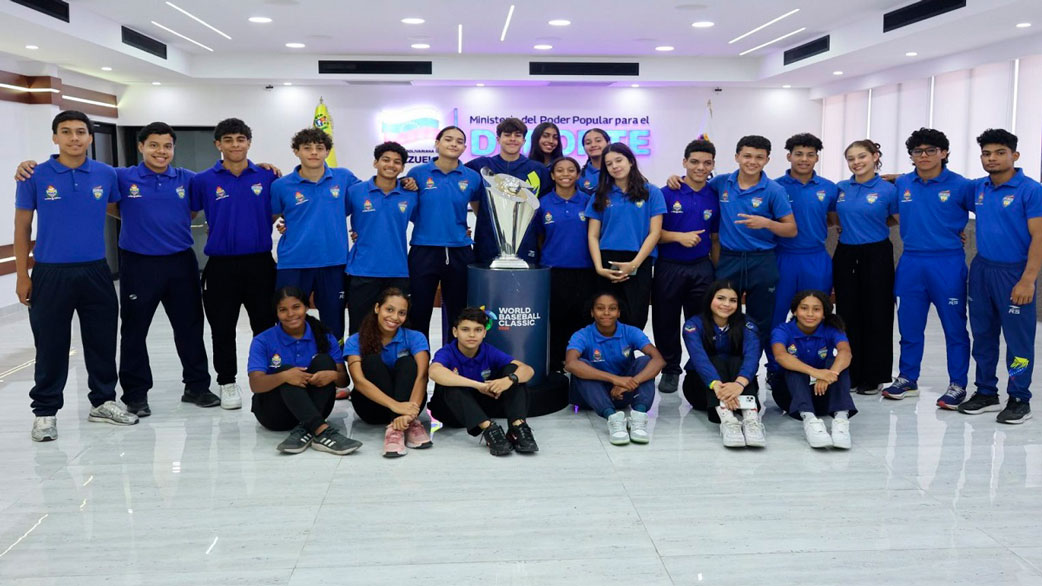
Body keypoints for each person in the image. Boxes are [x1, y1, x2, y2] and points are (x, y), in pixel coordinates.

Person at [15, 121, 216, 418]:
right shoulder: (120, 176)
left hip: (180, 262)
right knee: (134, 332)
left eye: (167, 146)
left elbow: (196, 208)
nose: (161, 151)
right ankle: (135, 395)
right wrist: (25, 165)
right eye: (154, 145)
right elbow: (106, 204)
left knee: (190, 327)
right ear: (140, 147)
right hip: (137, 262)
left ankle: (197, 386)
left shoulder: (188, 179)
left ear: (174, 149)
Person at [16, 110, 139, 441]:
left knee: (101, 341)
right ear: (55, 137)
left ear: (90, 137)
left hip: (96, 270)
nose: (74, 138)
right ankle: (45, 412)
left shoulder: (105, 174)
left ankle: (103, 401)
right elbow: (23, 226)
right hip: (49, 272)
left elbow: (120, 208)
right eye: (66, 132)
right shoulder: (34, 175)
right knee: (51, 344)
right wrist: (22, 275)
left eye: (81, 132)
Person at [190, 118, 278, 410]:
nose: (235, 145)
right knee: (222, 327)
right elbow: (187, 214)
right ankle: (227, 382)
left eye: (241, 139)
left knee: (265, 325)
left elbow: (280, 210)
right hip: (221, 266)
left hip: (260, 264)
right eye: (228, 140)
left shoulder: (267, 177)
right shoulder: (203, 180)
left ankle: (266, 378)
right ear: (218, 144)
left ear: (249, 143)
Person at [885, 128, 974, 406]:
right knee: (909, 327)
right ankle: (907, 378)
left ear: (944, 153)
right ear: (911, 156)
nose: (924, 156)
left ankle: (958, 384)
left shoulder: (962, 185)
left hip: (947, 263)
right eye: (917, 151)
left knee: (954, 328)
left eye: (931, 150)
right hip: (911, 262)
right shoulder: (902, 184)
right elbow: (885, 186)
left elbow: (991, 209)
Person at [958, 129, 1042, 423]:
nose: (991, 158)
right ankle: (986, 392)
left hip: (1015, 273)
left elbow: (1039, 236)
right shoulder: (978, 187)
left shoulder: (1031, 190)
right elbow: (939, 188)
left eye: (999, 153)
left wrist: (1028, 279)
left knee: (1018, 343)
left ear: (1014, 156)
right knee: (982, 336)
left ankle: (1020, 398)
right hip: (982, 270)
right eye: (986, 153)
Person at [247, 287, 361, 455]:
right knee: (286, 370)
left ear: (307, 307)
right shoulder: (263, 340)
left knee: (324, 360)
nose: (291, 314)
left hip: (317, 406)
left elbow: (344, 381)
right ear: (276, 313)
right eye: (283, 310)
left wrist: (333, 375)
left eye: (296, 307)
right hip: (275, 415)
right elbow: (255, 384)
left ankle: (305, 429)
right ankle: (322, 431)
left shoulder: (324, 336)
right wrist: (284, 376)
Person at [708, 136, 797, 351]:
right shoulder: (721, 182)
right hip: (729, 259)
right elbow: (696, 186)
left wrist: (767, 223)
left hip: (762, 261)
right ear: (737, 157)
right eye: (747, 156)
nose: (752, 161)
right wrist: (676, 178)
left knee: (759, 321)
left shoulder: (774, 190)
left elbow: (791, 229)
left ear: (767, 160)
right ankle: (726, 368)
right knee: (722, 317)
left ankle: (750, 373)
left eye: (759, 157)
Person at [271, 127, 359, 343]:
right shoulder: (281, 185)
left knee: (333, 320)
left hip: (333, 261)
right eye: (307, 148)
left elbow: (369, 197)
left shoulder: (344, 177)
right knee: (290, 317)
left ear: (327, 151)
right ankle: (290, 364)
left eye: (319, 148)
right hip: (294, 262)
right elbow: (271, 217)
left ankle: (334, 367)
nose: (313, 152)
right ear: (296, 151)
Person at [406, 126, 485, 345]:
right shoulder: (417, 174)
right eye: (448, 139)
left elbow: (479, 212)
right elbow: (408, 210)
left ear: (465, 148)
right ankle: (418, 367)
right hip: (424, 249)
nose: (453, 144)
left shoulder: (472, 178)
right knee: (419, 311)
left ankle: (451, 369)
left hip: (460, 250)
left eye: (459, 141)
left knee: (458, 313)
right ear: (437, 143)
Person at [652, 139, 719, 394]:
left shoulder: (714, 195)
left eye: (706, 163)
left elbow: (715, 238)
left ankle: (697, 367)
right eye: (694, 162)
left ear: (713, 165)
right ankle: (670, 368)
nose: (700, 167)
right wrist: (678, 237)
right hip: (669, 265)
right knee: (665, 319)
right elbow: (653, 233)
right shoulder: (666, 192)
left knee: (700, 321)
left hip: (702, 267)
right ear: (684, 163)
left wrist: (716, 268)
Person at [833, 140, 899, 395]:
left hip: (877, 252)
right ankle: (850, 372)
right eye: (851, 158)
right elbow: (834, 217)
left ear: (875, 157)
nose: (856, 162)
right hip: (846, 252)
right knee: (847, 314)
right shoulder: (841, 188)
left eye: (862, 156)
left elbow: (895, 218)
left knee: (878, 313)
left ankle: (874, 375)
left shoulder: (888, 189)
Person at [428, 307, 539, 456]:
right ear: (455, 332)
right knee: (450, 385)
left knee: (513, 371)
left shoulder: (488, 350)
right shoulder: (447, 352)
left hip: (480, 408)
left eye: (478, 330)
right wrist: (478, 385)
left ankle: (517, 427)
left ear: (484, 333)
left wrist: (509, 380)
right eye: (465, 329)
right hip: (451, 412)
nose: (472, 335)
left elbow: (527, 369)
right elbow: (434, 371)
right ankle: (489, 429)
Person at [565, 291, 665, 445]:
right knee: (581, 366)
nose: (606, 313)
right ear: (592, 312)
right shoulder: (582, 334)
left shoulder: (630, 331)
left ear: (618, 312)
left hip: (624, 393)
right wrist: (615, 379)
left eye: (612, 308)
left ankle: (638, 416)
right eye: (600, 308)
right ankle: (613, 419)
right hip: (592, 397)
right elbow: (570, 363)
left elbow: (658, 360)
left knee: (646, 361)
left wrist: (631, 382)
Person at [585, 142, 666, 329]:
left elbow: (655, 233)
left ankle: (629, 358)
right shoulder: (600, 194)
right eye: (609, 164)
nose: (615, 166)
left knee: (636, 318)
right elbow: (593, 236)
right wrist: (599, 267)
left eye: (618, 160)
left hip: (638, 261)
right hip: (607, 263)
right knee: (606, 319)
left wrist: (634, 264)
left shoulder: (651, 192)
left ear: (630, 161)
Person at [344, 288, 433, 457]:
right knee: (371, 362)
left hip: (409, 403)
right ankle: (398, 424)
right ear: (377, 308)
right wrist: (396, 406)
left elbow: (422, 375)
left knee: (407, 363)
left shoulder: (415, 337)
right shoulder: (356, 340)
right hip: (371, 408)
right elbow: (359, 381)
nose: (394, 317)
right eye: (389, 310)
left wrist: (411, 412)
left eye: (401, 313)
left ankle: (400, 426)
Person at [530, 156, 596, 371]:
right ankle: (557, 363)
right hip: (554, 270)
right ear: (552, 175)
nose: (565, 174)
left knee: (582, 319)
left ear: (578, 175)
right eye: (560, 170)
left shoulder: (588, 201)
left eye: (571, 170)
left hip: (585, 271)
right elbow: (540, 237)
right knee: (556, 319)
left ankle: (580, 364)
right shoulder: (543, 203)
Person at [682, 281, 765, 447]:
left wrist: (739, 385)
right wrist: (716, 385)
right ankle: (728, 421)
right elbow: (699, 359)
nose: (726, 304)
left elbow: (752, 357)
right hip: (702, 389)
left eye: (733, 300)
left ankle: (750, 419)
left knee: (737, 360)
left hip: (739, 389)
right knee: (714, 359)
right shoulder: (693, 325)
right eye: (720, 298)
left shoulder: (748, 324)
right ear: (709, 299)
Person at [770, 290, 856, 449]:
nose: (810, 314)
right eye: (804, 308)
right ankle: (809, 421)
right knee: (793, 364)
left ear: (824, 314)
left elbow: (846, 352)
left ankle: (841, 421)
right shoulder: (782, 330)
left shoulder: (832, 329)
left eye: (816, 309)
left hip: (823, 395)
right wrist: (816, 373)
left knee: (837, 362)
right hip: (791, 398)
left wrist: (831, 374)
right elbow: (780, 356)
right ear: (795, 311)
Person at [345, 142, 415, 335]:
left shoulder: (410, 195)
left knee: (398, 329)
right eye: (385, 160)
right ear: (375, 162)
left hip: (398, 272)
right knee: (360, 327)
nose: (391, 165)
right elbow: (331, 217)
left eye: (397, 162)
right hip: (363, 270)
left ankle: (394, 364)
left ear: (402, 168)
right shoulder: (355, 191)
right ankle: (358, 364)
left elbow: (429, 222)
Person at [772, 134, 838, 329]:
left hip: (815, 258)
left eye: (810, 154)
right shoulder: (774, 187)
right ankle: (775, 360)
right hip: (781, 257)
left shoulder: (829, 188)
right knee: (776, 313)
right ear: (789, 156)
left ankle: (813, 359)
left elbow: (833, 220)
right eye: (798, 154)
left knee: (815, 315)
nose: (804, 159)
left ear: (817, 158)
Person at [466, 117, 551, 265]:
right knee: (487, 287)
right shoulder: (480, 165)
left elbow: (545, 207)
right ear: (498, 139)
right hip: (488, 242)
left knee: (525, 287)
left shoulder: (538, 170)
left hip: (526, 243)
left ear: (524, 141)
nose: (512, 139)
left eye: (517, 135)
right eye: (507, 135)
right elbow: (456, 179)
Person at [578, 128, 610, 194]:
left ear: (608, 143)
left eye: (598, 141)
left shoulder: (617, 169)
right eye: (588, 143)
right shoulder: (580, 175)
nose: (593, 145)